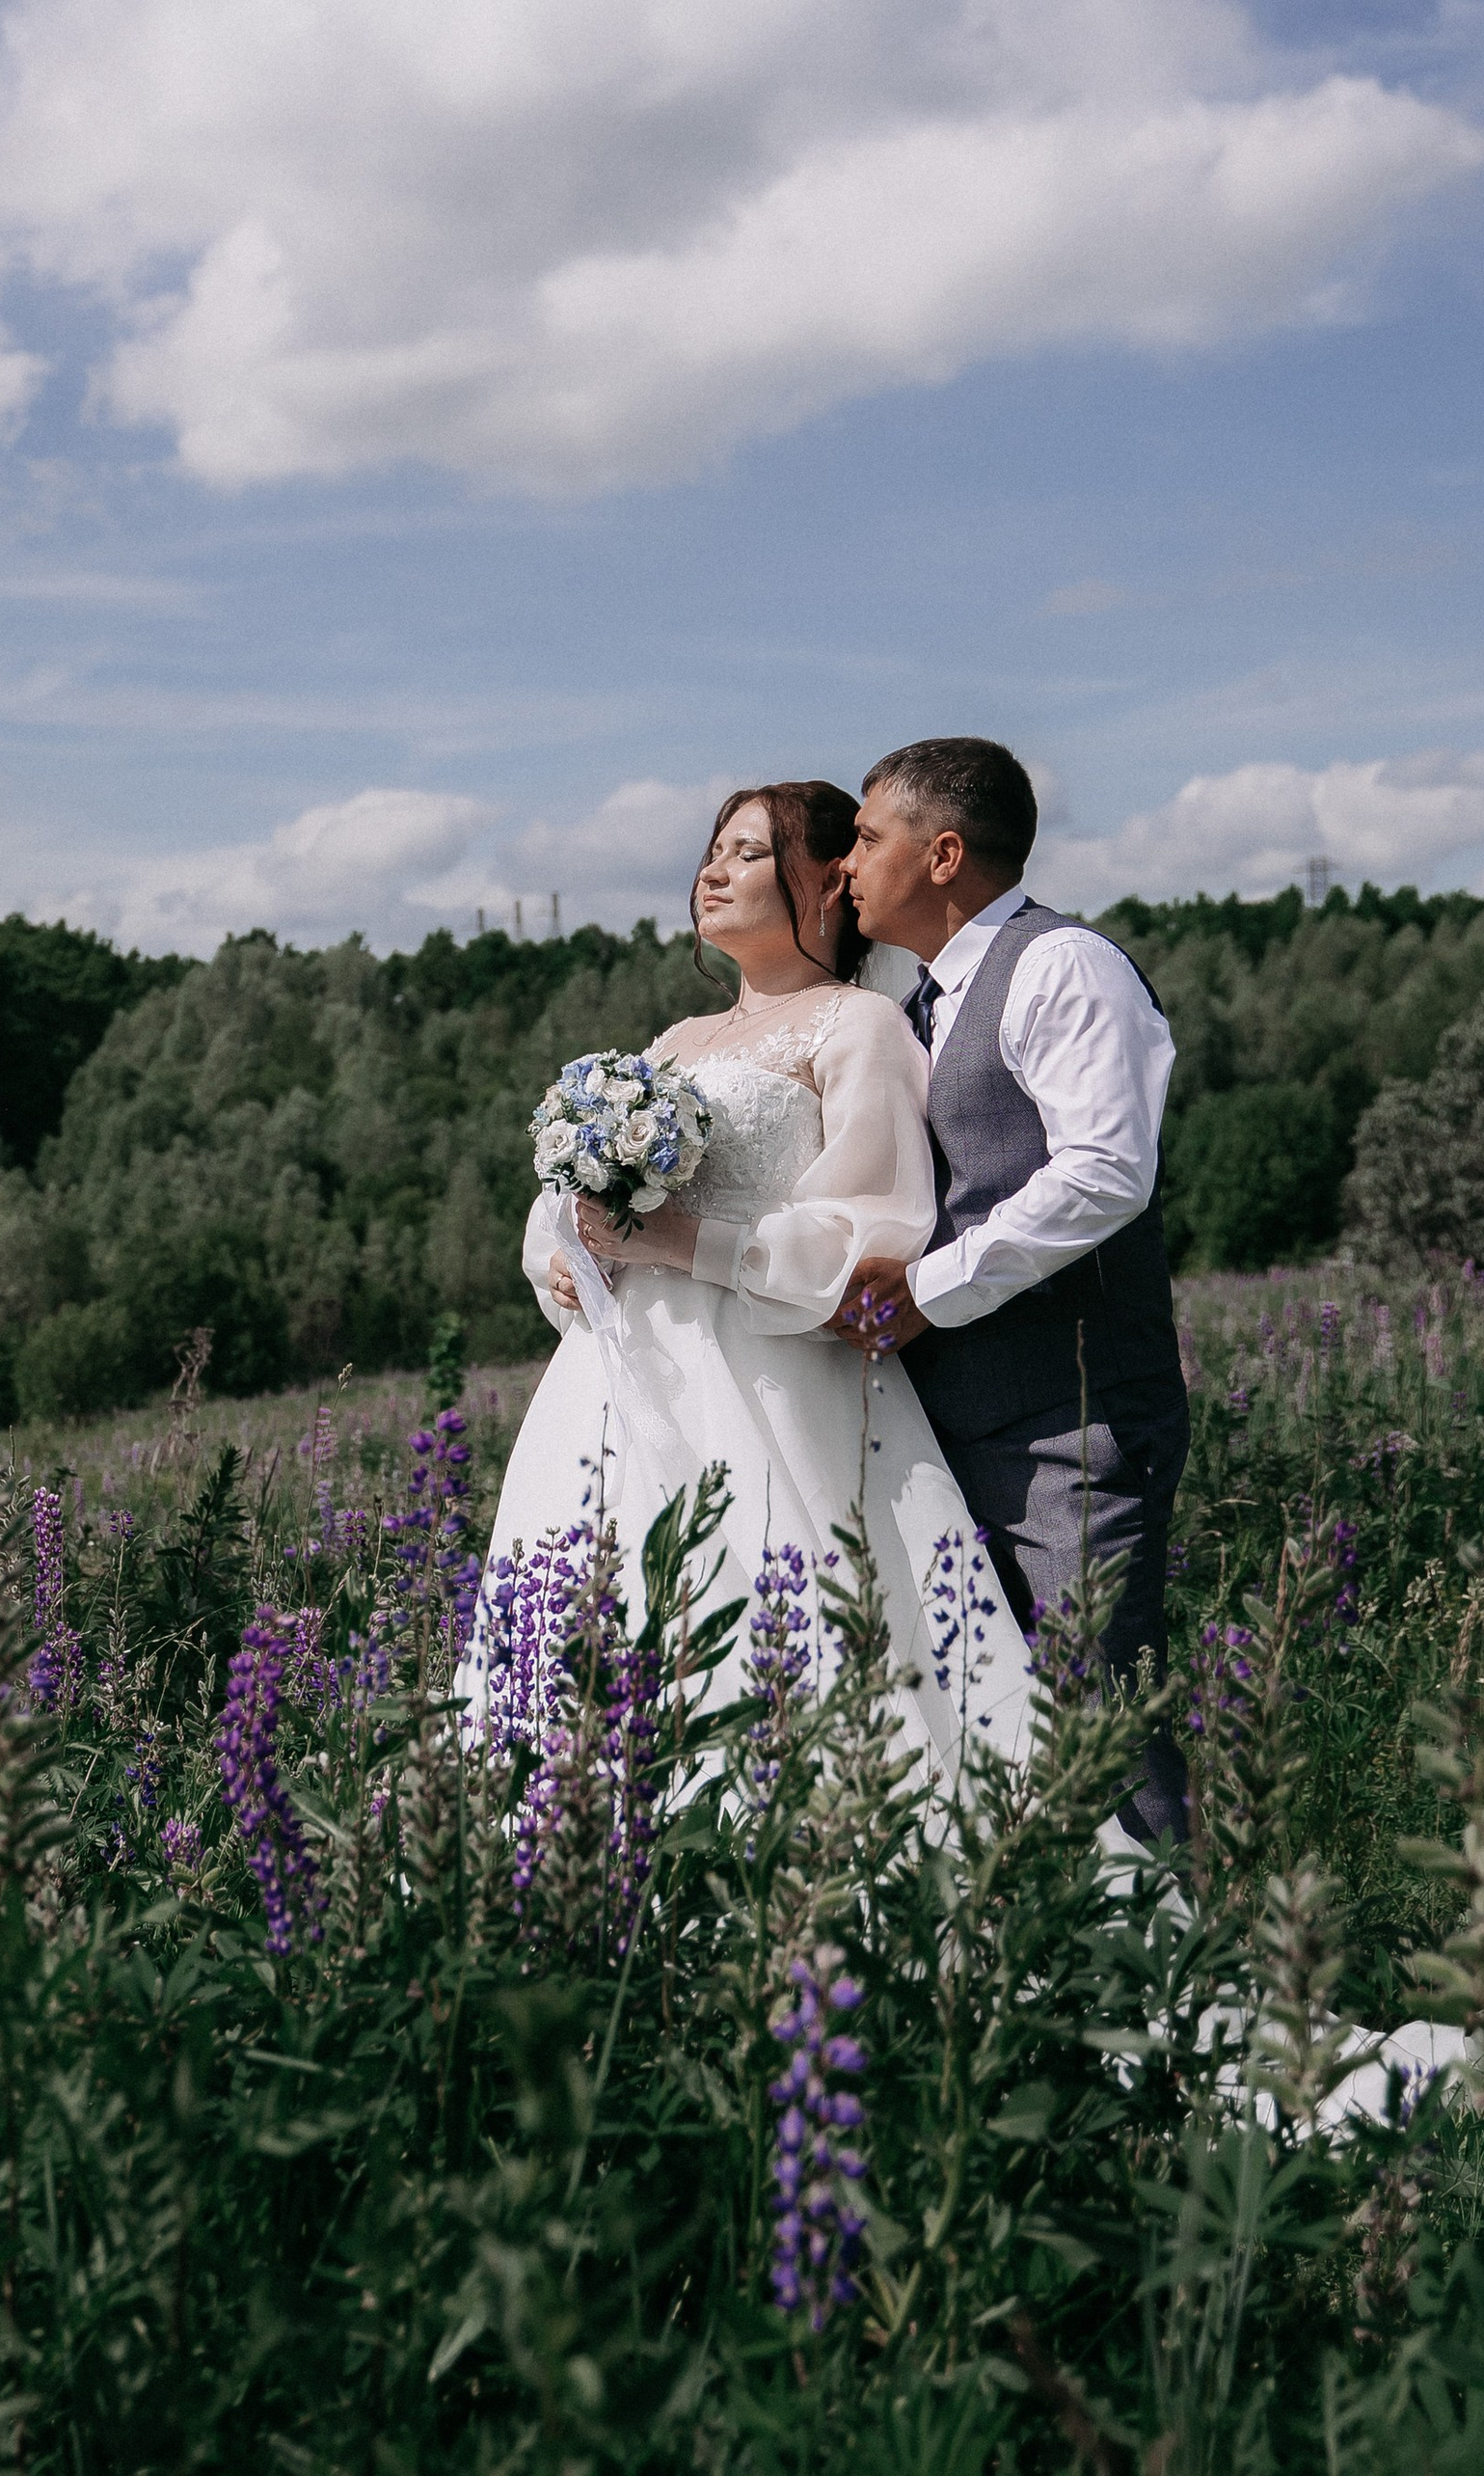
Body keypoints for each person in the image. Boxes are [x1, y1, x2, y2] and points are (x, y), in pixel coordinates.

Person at [480, 781, 1034, 1788]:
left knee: (781, 1635)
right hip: (616, 1378)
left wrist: (688, 1245)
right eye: (712, 852)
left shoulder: (860, 1027)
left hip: (771, 1378)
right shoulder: (671, 1044)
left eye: (745, 853)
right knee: (592, 1620)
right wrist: (565, 1251)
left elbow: (872, 1230)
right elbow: (561, 1197)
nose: (711, 872)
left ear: (825, 884)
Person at [830, 738, 1191, 1843]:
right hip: (948, 1434)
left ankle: (1187, 2002)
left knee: (1101, 1727)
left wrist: (924, 1293)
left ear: (941, 854)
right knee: (995, 1732)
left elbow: (1104, 1173)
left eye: (864, 835)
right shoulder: (915, 1005)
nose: (846, 865)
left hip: (1068, 1427)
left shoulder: (1061, 966)